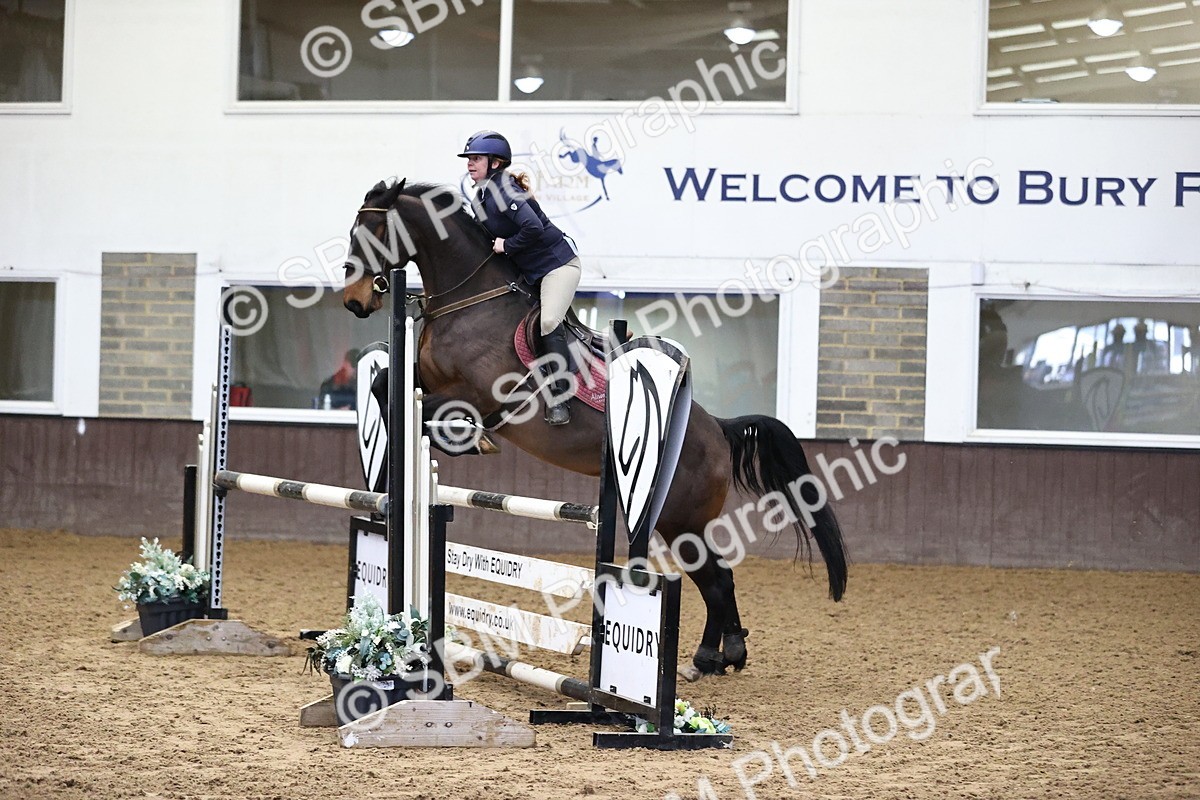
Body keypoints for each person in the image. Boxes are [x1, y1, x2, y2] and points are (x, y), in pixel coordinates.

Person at [458, 130, 581, 425]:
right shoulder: (480, 198)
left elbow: (533, 227)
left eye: (476, 159)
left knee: (548, 322)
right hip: (529, 272)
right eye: (469, 159)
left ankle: (560, 397)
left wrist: (507, 245)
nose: (470, 164)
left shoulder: (506, 191)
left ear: (496, 163)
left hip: (557, 267)